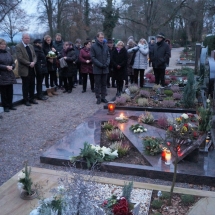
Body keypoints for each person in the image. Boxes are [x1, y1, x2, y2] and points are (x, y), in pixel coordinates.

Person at [16, 33, 38, 106]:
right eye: (26, 38)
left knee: (32, 84)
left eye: (28, 38)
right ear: (22, 38)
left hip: (32, 68)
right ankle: (26, 100)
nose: (27, 39)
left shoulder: (31, 46)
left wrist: (34, 62)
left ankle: (32, 98)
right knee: (25, 85)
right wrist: (29, 63)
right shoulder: (18, 46)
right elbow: (20, 58)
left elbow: (34, 56)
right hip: (24, 69)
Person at [90, 32, 110, 104]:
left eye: (103, 37)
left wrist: (107, 64)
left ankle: (103, 97)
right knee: (97, 84)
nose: (102, 39)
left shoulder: (105, 46)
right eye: (100, 37)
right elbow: (93, 57)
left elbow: (108, 56)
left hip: (105, 68)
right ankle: (98, 97)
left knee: (104, 84)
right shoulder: (93, 46)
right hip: (97, 68)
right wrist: (100, 64)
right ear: (97, 38)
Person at [0, 38, 17, 112]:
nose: (3, 46)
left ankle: (10, 104)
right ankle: (5, 105)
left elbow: (13, 62)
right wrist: (5, 67)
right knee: (4, 92)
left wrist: (12, 66)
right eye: (1, 44)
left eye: (4, 44)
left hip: (10, 74)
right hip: (2, 74)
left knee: (10, 90)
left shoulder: (8, 53)